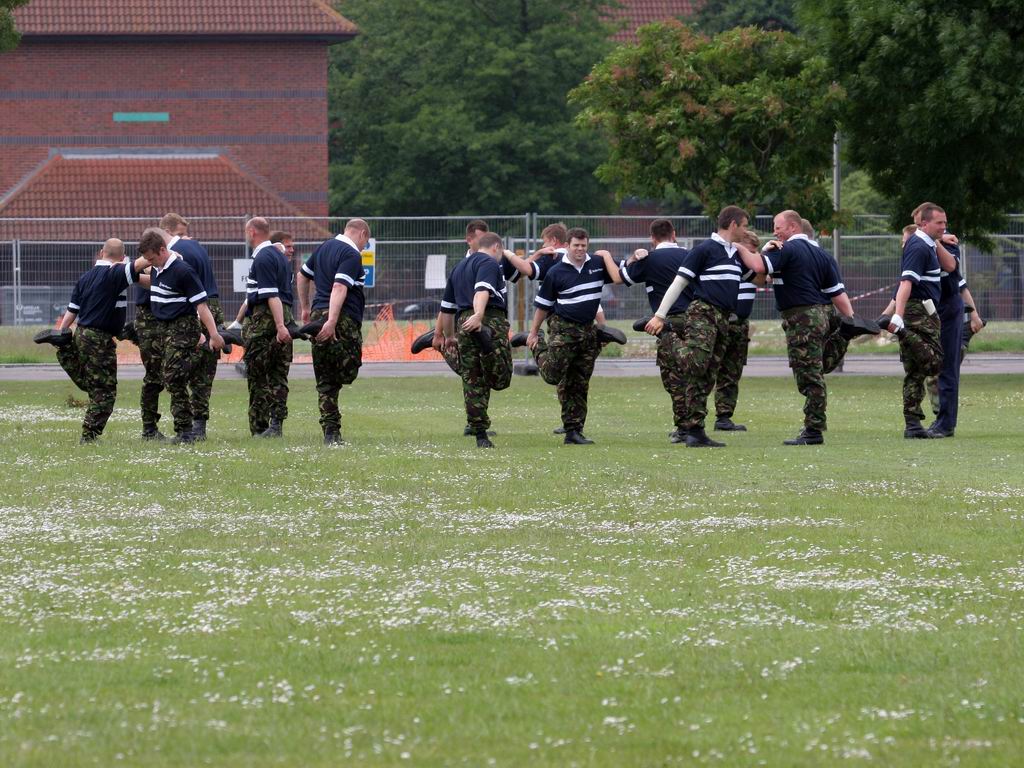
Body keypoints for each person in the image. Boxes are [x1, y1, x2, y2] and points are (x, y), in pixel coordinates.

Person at [645, 206, 766, 447]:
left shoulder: (735, 254)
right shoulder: (704, 250)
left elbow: (760, 278)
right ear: (733, 224)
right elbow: (679, 283)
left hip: (724, 319)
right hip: (703, 313)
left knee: (708, 374)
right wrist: (659, 316)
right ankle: (667, 333)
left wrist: (765, 254)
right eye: (744, 226)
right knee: (696, 363)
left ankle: (695, 431)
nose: (746, 231)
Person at [760, 210, 874, 445]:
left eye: (777, 227)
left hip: (802, 318)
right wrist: (851, 318)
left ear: (793, 227)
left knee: (808, 373)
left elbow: (760, 268)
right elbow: (837, 293)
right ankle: (844, 333)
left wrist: (760, 250)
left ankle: (813, 430)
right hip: (824, 313)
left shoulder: (787, 250)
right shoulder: (823, 256)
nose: (775, 232)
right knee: (820, 366)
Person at [598, 218, 691, 441]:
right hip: (695, 321)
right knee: (694, 373)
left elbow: (618, 278)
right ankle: (694, 423)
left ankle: (685, 427)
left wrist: (606, 256)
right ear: (674, 234)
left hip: (666, 323)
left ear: (652, 238)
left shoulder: (651, 259)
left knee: (673, 376)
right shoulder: (691, 255)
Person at [45, 240, 147, 442]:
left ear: (101, 252)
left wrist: (61, 331)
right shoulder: (116, 273)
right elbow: (142, 263)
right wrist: (169, 254)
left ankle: (64, 349)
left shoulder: (86, 277)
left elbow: (72, 310)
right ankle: (89, 435)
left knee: (92, 384)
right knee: (104, 391)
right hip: (99, 339)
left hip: (82, 333)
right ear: (122, 257)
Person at [522, 228, 616, 444]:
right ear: (567, 246)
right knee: (552, 375)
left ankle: (574, 431)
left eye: (584, 245)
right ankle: (538, 345)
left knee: (579, 383)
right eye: (576, 245)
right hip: (563, 329)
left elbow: (622, 270)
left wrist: (637, 255)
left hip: (588, 331)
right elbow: (542, 306)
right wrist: (534, 333)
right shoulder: (556, 272)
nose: (580, 249)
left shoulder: (597, 264)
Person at [137, 228, 225, 444]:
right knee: (169, 377)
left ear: (162, 249)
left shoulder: (183, 271)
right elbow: (155, 283)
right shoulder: (157, 269)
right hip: (163, 329)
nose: (150, 263)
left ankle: (185, 431)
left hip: (182, 328)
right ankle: (184, 430)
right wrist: (126, 275)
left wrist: (214, 334)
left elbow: (202, 306)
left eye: (152, 259)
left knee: (173, 376)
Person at [434, 232, 514, 447]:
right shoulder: (489, 262)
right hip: (487, 319)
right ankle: (485, 342)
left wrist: (449, 336)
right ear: (496, 247)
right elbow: (482, 290)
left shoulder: (458, 267)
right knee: (501, 378)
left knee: (472, 378)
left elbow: (447, 309)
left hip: (463, 322)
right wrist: (479, 316)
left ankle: (480, 435)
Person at [297, 219, 370, 444]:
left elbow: (302, 275)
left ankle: (331, 432)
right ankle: (331, 431)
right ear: (362, 234)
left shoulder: (323, 248)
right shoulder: (351, 254)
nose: (364, 247)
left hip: (318, 313)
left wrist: (306, 308)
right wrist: (331, 322)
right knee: (349, 369)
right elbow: (339, 287)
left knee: (325, 378)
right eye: (365, 242)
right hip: (341, 318)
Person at [885, 203, 948, 438]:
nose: (944, 227)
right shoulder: (919, 246)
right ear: (923, 224)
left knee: (915, 371)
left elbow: (951, 265)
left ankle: (912, 425)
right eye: (939, 223)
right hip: (918, 312)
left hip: (921, 311)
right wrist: (899, 316)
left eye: (945, 222)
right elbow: (906, 283)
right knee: (934, 363)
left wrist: (942, 239)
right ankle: (903, 332)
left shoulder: (927, 243)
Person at [158, 213, 223, 440]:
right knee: (205, 371)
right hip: (212, 306)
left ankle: (188, 427)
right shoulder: (197, 247)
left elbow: (190, 290)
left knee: (183, 370)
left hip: (197, 309)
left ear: (165, 231)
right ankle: (200, 426)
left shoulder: (177, 253)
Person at [241, 217, 295, 438]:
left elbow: (271, 295)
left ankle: (260, 427)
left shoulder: (263, 257)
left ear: (252, 232)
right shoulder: (280, 256)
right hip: (283, 317)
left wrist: (280, 326)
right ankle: (276, 425)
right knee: (278, 374)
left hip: (266, 321)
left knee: (258, 375)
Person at [713, 230, 764, 431]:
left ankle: (724, 417)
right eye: (749, 251)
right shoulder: (729, 265)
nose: (753, 256)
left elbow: (765, 276)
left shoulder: (752, 270)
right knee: (708, 371)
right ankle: (691, 419)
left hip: (740, 326)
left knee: (731, 372)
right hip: (723, 323)